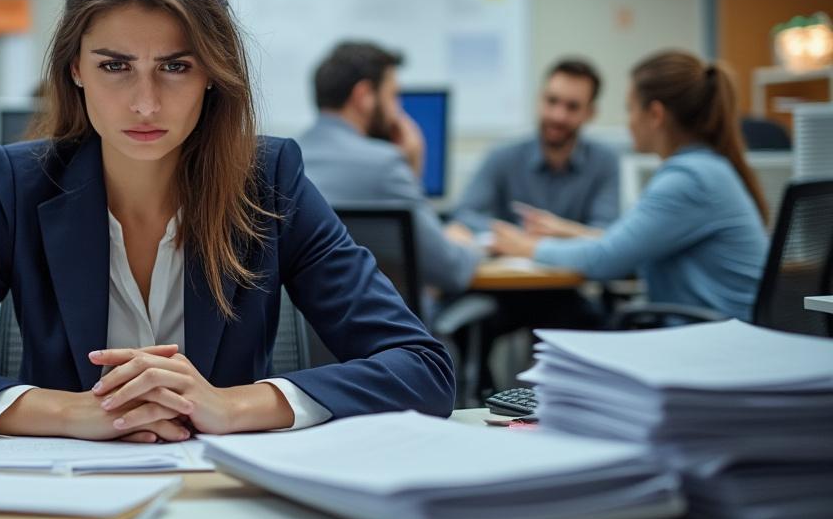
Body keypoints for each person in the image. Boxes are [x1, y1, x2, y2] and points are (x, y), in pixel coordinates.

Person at [0, 0, 454, 442]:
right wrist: (73, 412)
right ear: (75, 68)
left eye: (175, 67)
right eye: (115, 66)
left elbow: (422, 368)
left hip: (226, 493)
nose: (145, 104)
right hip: (68, 498)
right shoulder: (20, 186)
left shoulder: (270, 181)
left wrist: (230, 405)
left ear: (212, 72)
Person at [492, 51, 768, 321]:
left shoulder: (688, 181)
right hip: (722, 334)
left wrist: (526, 247)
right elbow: (627, 245)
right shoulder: (705, 169)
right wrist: (569, 230)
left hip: (712, 342)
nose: (629, 122)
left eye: (630, 109)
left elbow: (606, 259)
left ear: (656, 115)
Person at [298, 41, 480, 297]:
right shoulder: (384, 165)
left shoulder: (286, 161)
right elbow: (451, 270)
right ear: (364, 97)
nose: (398, 110)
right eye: (393, 96)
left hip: (310, 333)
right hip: (386, 333)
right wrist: (470, 244)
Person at [453, 58, 619, 233]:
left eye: (572, 107)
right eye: (552, 101)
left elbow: (604, 233)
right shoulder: (503, 155)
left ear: (590, 113)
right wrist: (517, 235)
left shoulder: (604, 162)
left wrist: (557, 230)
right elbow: (464, 214)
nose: (558, 116)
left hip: (574, 261)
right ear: (539, 99)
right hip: (509, 258)